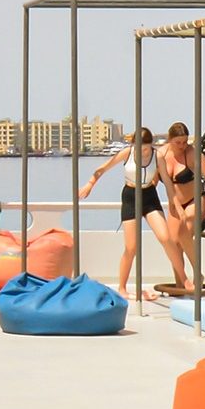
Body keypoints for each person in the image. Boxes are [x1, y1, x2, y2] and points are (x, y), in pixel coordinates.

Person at [78, 128, 187, 300]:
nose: (143, 152)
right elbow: (103, 168)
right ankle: (122, 287)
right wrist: (90, 184)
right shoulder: (127, 153)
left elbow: (167, 182)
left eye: (146, 148)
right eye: (140, 148)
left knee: (166, 238)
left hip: (149, 196)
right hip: (130, 197)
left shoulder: (157, 156)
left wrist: (177, 206)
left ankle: (185, 279)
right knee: (131, 247)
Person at [158, 122, 205, 293]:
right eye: (178, 142)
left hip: (195, 199)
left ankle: (197, 273)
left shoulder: (192, 153)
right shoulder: (161, 155)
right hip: (175, 205)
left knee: (183, 234)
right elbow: (154, 180)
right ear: (169, 140)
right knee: (174, 245)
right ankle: (180, 286)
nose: (182, 146)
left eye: (185, 142)